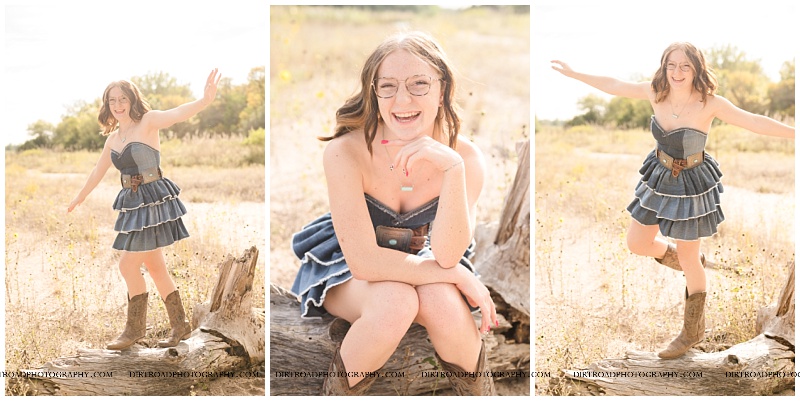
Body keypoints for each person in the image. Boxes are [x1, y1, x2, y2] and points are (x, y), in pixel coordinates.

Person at [552, 42, 794, 359]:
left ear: (696, 69)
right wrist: (574, 74)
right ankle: (685, 260)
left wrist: (795, 132)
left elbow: (754, 121)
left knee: (690, 257)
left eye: (684, 66)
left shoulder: (710, 103)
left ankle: (691, 332)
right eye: (671, 65)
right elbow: (614, 85)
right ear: (663, 67)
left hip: (692, 182)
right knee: (637, 242)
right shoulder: (657, 93)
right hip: (659, 174)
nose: (676, 72)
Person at [290, 31, 498, 396]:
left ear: (443, 88)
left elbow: (448, 255)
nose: (403, 100)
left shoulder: (465, 158)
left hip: (433, 261)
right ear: (374, 92)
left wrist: (452, 170)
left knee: (441, 303)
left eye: (419, 84)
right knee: (395, 301)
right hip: (350, 268)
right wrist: (463, 279)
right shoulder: (345, 152)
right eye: (387, 86)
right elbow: (365, 263)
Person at [67, 69, 221, 350]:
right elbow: (97, 171)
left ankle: (134, 330)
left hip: (154, 200)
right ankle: (180, 326)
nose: (118, 104)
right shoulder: (112, 139)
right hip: (133, 203)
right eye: (112, 100)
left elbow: (177, 113)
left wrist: (204, 101)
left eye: (122, 98)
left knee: (127, 265)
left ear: (132, 100)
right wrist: (79, 197)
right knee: (155, 267)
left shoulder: (148, 122)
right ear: (107, 105)